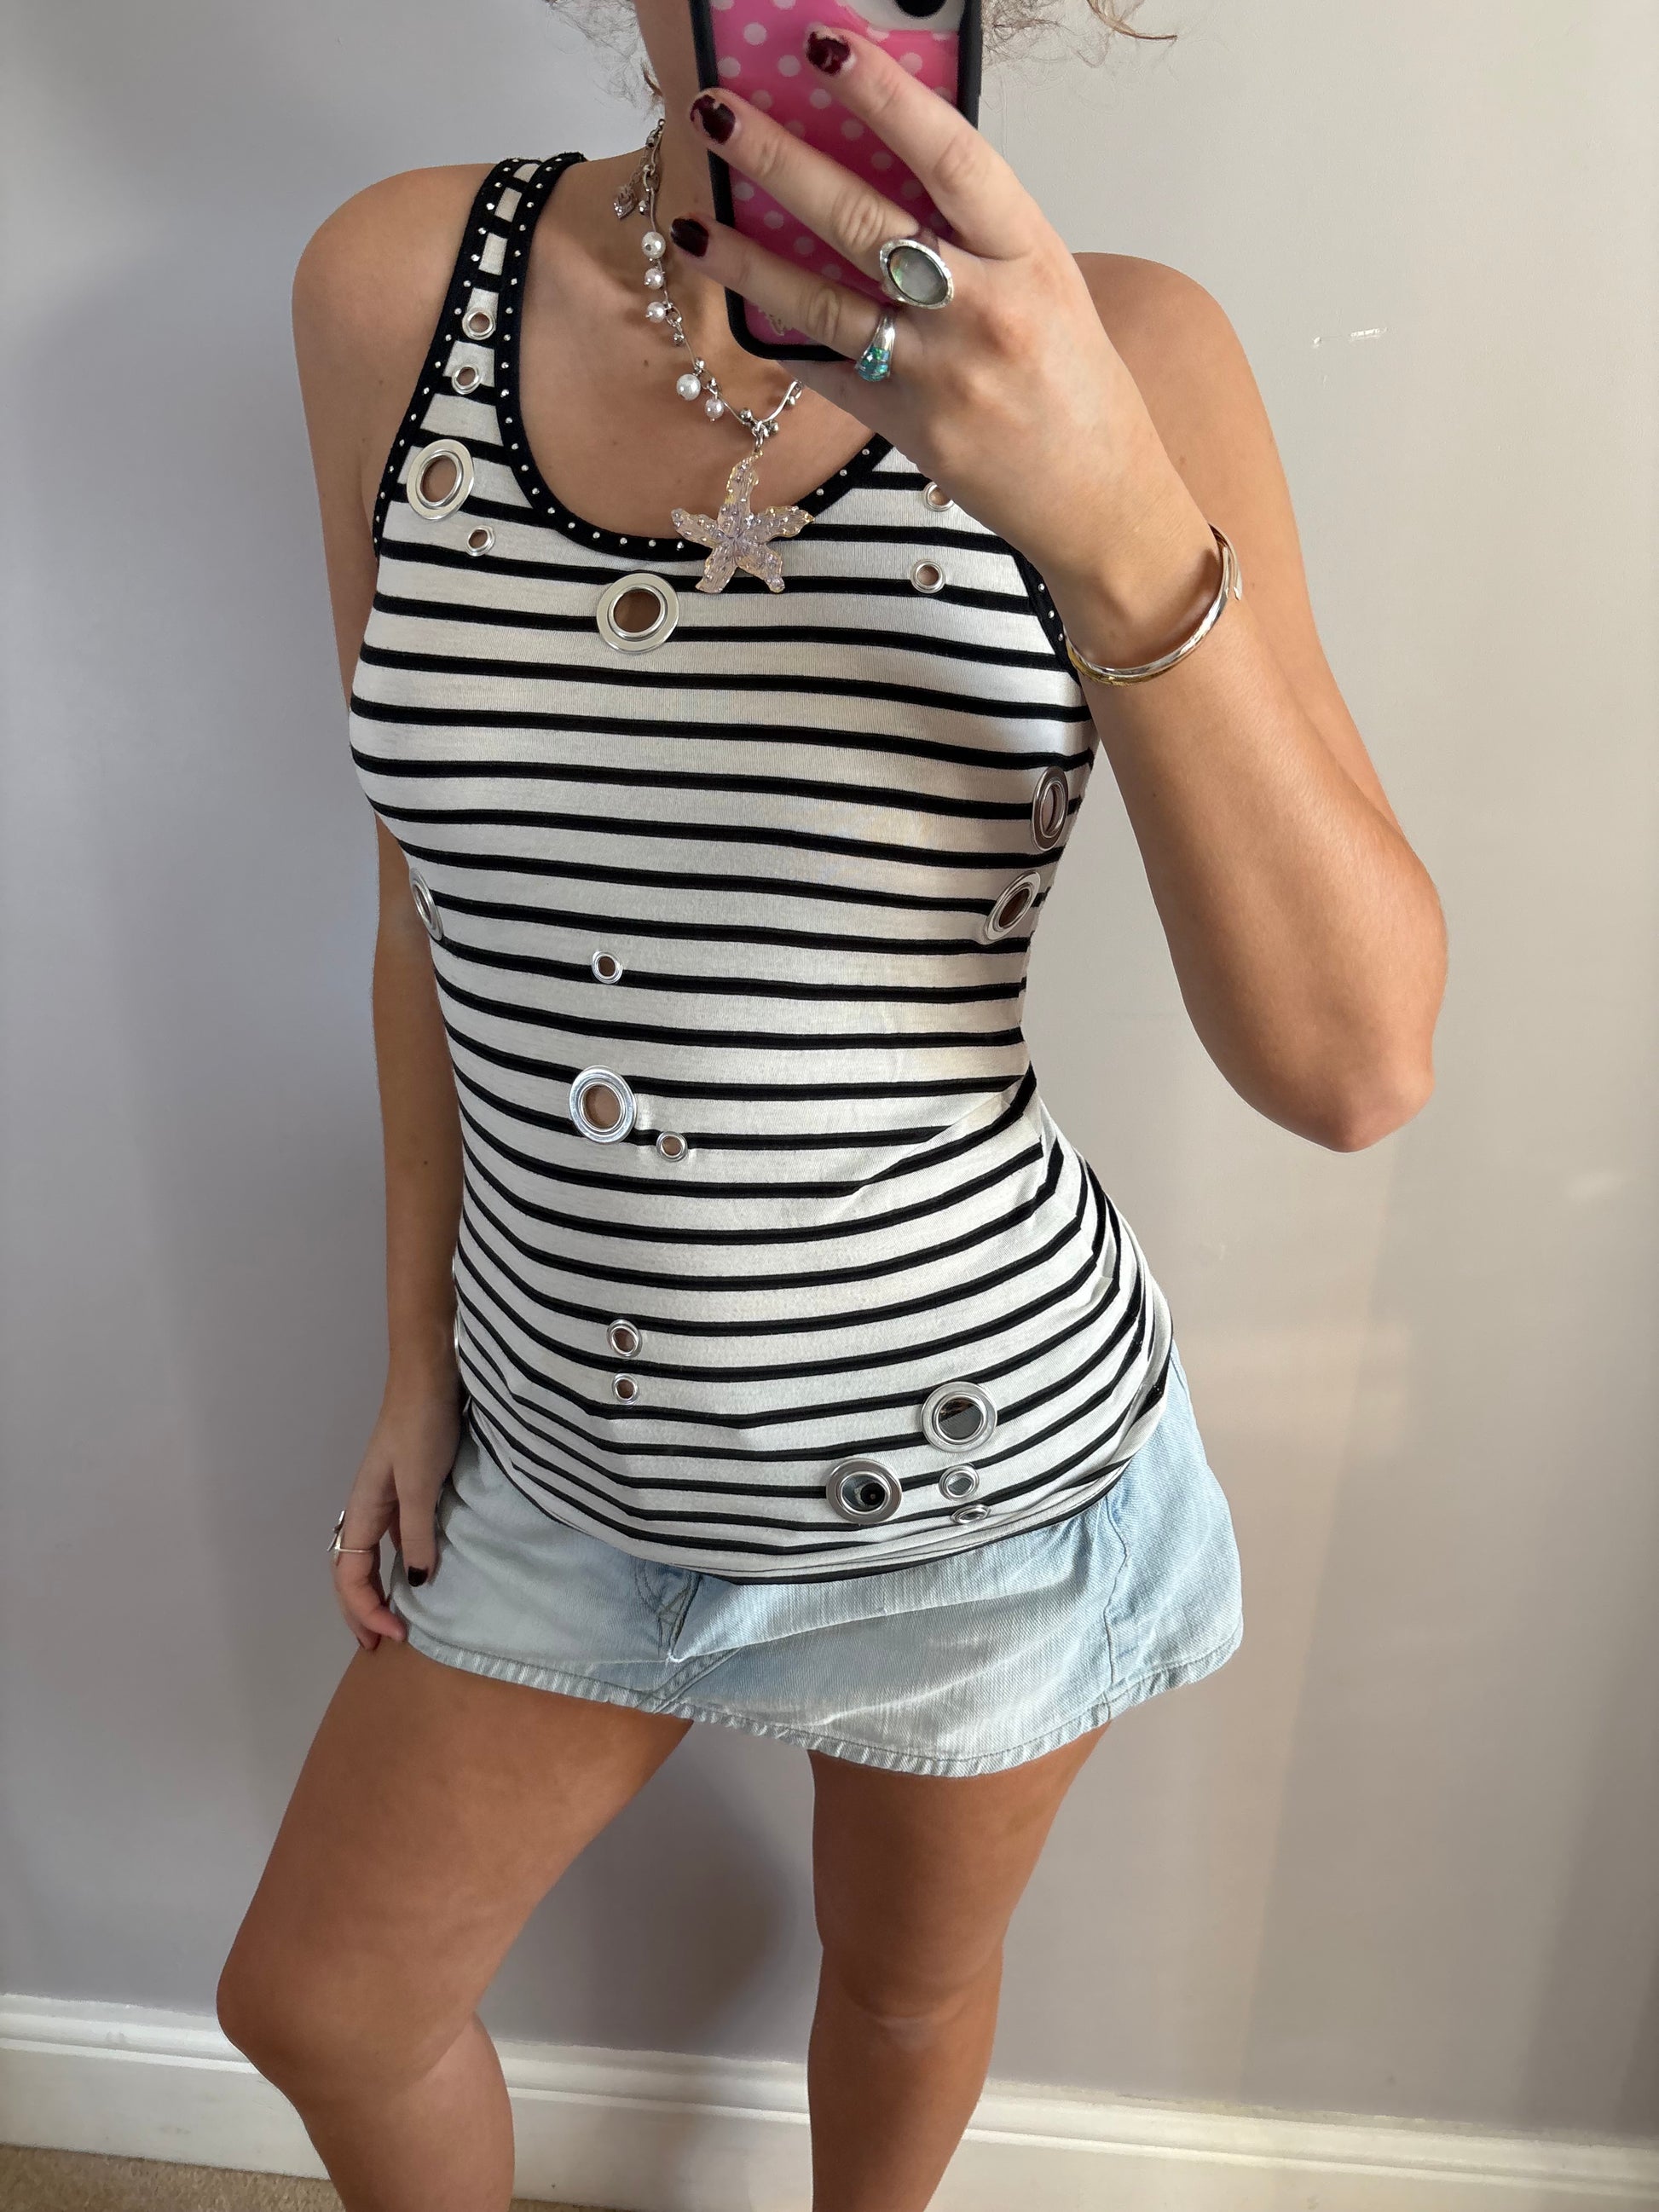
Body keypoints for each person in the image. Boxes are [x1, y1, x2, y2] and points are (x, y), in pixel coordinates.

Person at [216, 2, 1447, 2205]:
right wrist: (416, 1355)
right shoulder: (392, 289)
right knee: (323, 2001)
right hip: (559, 1461)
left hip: (975, 1483)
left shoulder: (1134, 353)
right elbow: (426, 898)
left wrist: (1106, 506)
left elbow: (1355, 1066)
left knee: (896, 1988)